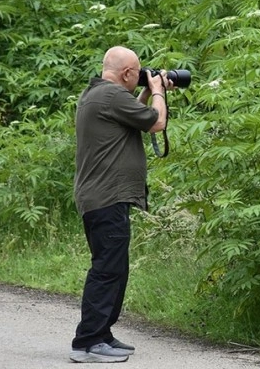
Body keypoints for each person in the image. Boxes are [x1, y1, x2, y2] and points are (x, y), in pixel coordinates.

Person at [70, 46, 172, 363]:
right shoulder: (111, 96)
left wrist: (143, 92)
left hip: (102, 197)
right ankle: (87, 342)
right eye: (138, 73)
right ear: (127, 73)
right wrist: (157, 91)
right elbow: (155, 123)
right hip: (107, 197)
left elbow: (132, 115)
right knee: (106, 270)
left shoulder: (98, 95)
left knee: (117, 269)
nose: (141, 76)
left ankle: (102, 334)